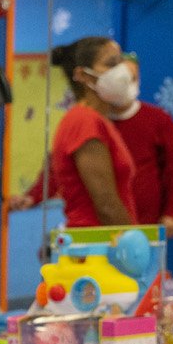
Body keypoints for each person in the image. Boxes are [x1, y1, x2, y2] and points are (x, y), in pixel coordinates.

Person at [9, 52, 173, 236]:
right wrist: (33, 196)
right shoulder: (89, 123)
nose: (124, 84)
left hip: (147, 221)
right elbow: (57, 169)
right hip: (104, 227)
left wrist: (171, 213)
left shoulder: (159, 120)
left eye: (130, 79)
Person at [37, 36, 140, 228]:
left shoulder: (100, 120)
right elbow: (106, 205)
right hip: (96, 244)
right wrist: (134, 247)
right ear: (84, 76)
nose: (122, 71)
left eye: (121, 61)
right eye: (111, 64)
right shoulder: (84, 122)